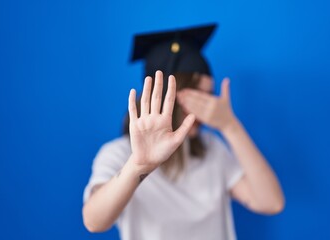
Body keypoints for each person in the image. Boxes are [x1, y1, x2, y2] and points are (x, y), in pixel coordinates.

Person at [82, 24, 285, 240]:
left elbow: (270, 202)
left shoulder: (211, 149)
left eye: (210, 95)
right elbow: (94, 221)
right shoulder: (118, 154)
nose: (207, 106)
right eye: (198, 95)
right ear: (167, 97)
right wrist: (138, 166)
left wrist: (230, 126)